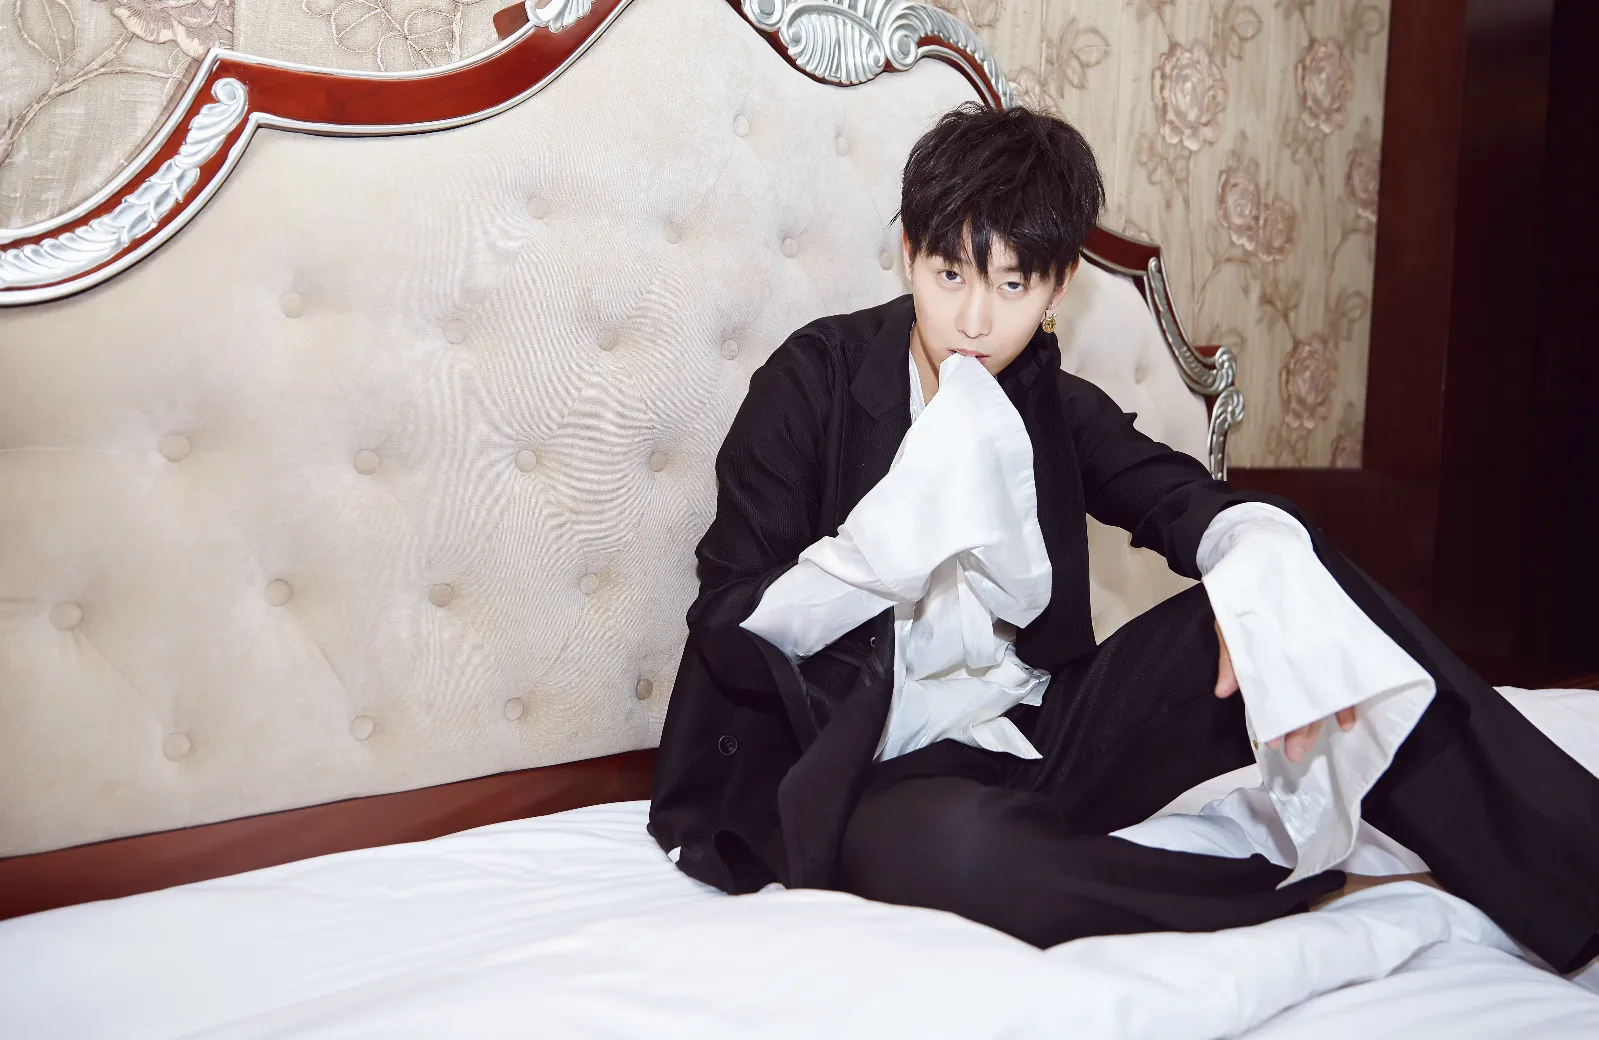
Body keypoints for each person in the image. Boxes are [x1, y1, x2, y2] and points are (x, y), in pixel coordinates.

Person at [649, 103, 1599, 974]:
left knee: (1299, 583)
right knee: (951, 855)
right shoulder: (813, 382)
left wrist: (1255, 575)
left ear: (1056, 286)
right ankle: (1307, 890)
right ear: (907, 254)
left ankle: (1578, 874)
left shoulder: (1051, 404)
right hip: (874, 763)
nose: (973, 320)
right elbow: (727, 618)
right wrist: (876, 552)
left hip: (1043, 736)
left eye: (1011, 284)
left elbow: (1179, 500)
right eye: (949, 275)